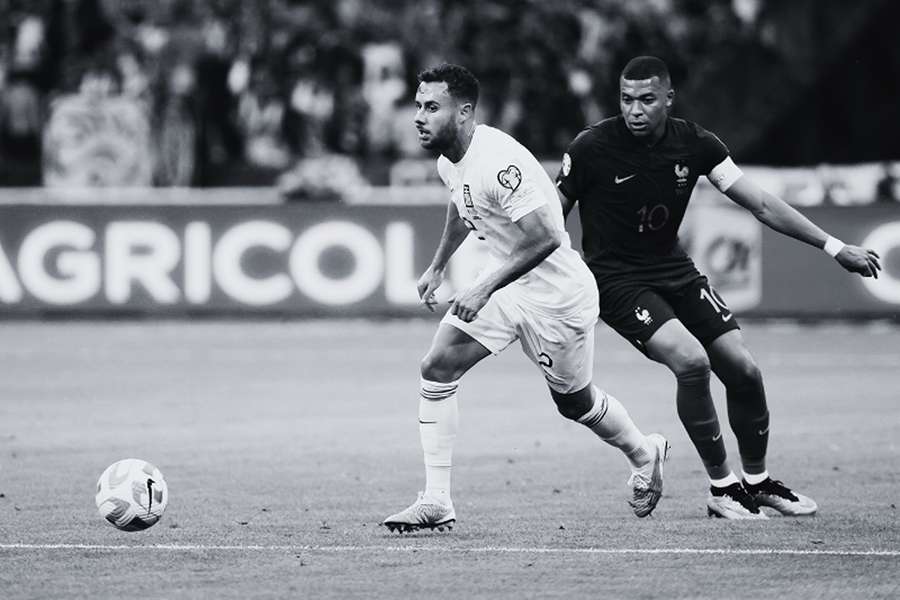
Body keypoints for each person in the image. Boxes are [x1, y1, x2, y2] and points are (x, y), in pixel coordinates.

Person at [556, 56, 882, 520]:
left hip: (676, 270)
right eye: (627, 100)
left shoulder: (696, 144)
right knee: (692, 363)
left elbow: (763, 205)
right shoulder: (591, 148)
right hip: (617, 282)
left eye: (647, 99)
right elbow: (551, 217)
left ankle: (758, 482)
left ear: (669, 98)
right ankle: (722, 488)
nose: (635, 109)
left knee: (744, 370)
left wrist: (834, 247)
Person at [382, 63, 669, 533]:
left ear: (464, 112)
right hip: (511, 284)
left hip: (558, 298)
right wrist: (438, 265)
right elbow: (461, 202)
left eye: (431, 107)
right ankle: (436, 499)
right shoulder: (448, 160)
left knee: (575, 404)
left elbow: (547, 238)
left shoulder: (500, 162)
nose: (419, 116)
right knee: (437, 365)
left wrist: (483, 285)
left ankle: (643, 451)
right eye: (418, 106)